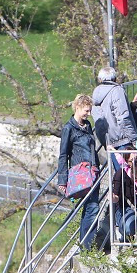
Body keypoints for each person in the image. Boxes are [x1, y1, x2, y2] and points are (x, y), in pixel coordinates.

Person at [57, 94, 102, 246]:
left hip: (93, 172)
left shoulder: (87, 125)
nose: (88, 114)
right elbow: (63, 155)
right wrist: (62, 180)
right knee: (92, 207)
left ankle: (86, 244)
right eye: (86, 111)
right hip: (81, 175)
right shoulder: (68, 129)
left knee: (90, 208)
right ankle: (88, 246)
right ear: (77, 107)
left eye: (89, 111)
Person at [92, 66, 137, 166]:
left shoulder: (95, 95)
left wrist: (105, 142)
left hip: (110, 143)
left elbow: (98, 122)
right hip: (124, 141)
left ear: (100, 79)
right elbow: (123, 117)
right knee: (131, 174)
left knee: (120, 176)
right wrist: (134, 139)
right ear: (115, 78)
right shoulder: (117, 91)